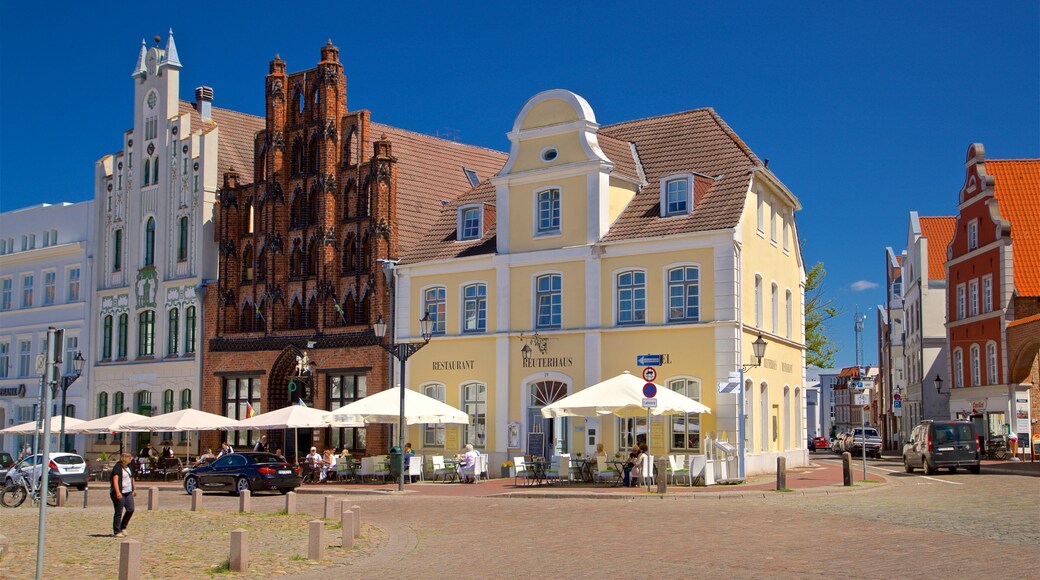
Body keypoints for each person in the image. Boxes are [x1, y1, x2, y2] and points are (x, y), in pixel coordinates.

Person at [110, 452, 137, 537]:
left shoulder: (129, 467)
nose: (131, 459)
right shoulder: (118, 467)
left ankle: (123, 527)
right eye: (129, 458)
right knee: (119, 511)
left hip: (128, 491)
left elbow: (131, 478)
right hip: (120, 492)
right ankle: (117, 531)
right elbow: (115, 480)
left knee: (130, 509)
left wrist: (134, 488)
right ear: (125, 458)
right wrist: (118, 492)